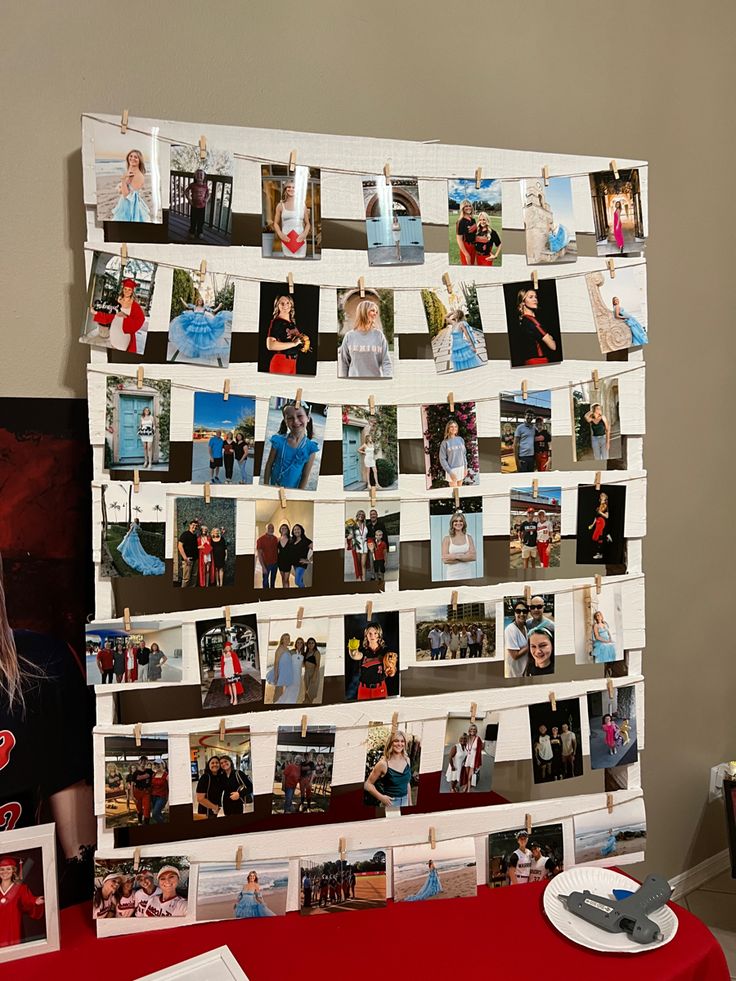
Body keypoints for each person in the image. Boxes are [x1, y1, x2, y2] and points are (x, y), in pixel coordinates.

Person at [262, 402, 319, 490]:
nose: (295, 421)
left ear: (308, 417)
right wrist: (265, 485)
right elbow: (269, 464)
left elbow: (305, 476)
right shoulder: (278, 441)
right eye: (290, 418)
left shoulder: (310, 448)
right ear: (285, 421)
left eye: (299, 416)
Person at [168, 294, 230, 364]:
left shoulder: (204, 308)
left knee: (202, 338)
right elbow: (187, 306)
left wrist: (219, 306)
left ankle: (201, 351)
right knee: (193, 338)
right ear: (197, 301)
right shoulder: (194, 307)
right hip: (194, 324)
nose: (200, 302)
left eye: (201, 301)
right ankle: (194, 352)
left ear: (202, 302)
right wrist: (182, 300)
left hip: (203, 324)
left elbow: (214, 310)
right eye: (199, 301)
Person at [337, 299, 392, 378]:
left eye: (376, 312)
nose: (375, 314)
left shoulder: (379, 336)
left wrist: (387, 380)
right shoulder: (349, 336)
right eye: (372, 310)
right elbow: (344, 363)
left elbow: (386, 362)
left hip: (374, 383)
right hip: (354, 383)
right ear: (363, 312)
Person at [91, 277, 146, 353]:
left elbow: (140, 320)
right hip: (114, 331)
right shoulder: (118, 301)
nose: (127, 291)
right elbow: (110, 315)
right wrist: (96, 313)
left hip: (124, 333)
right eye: (125, 289)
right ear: (123, 289)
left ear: (132, 291)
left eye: (129, 290)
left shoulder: (135, 305)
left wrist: (125, 316)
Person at [364, 730, 413, 809]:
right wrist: (381, 798)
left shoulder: (407, 760)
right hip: (391, 803)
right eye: (396, 741)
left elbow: (407, 783)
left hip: (405, 801)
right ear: (391, 743)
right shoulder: (383, 764)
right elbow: (367, 784)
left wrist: (410, 802)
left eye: (402, 741)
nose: (400, 744)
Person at [348, 621, 396, 701]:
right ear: (366, 635)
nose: (372, 636)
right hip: (363, 689)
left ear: (379, 635)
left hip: (380, 688)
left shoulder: (385, 651)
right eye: (369, 633)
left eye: (375, 633)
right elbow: (356, 656)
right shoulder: (363, 651)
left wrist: (391, 667)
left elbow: (391, 672)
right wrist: (352, 649)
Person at [512, 288, 557, 366]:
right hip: (539, 361)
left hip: (528, 362)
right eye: (531, 297)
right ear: (523, 302)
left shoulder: (523, 320)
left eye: (535, 297)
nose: (535, 299)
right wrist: (550, 338)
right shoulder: (532, 321)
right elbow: (553, 346)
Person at [265, 295, 308, 374]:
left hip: (293, 362)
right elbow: (270, 345)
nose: (285, 306)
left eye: (288, 303)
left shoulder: (292, 322)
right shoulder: (276, 322)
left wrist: (303, 343)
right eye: (282, 303)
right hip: (281, 362)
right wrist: (294, 343)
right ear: (277, 306)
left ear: (291, 304)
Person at [273, 180, 311, 259]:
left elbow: (307, 223)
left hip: (300, 240)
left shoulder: (302, 205)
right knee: (288, 263)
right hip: (287, 239)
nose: (291, 189)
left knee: (300, 264)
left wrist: (304, 235)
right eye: (289, 187)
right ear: (285, 189)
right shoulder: (280, 205)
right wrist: (280, 235)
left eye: (293, 187)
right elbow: (275, 223)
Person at [111, 149, 151, 222]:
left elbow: (127, 195)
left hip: (129, 206)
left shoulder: (139, 176)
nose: (132, 158)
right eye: (131, 156)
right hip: (125, 203)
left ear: (140, 160)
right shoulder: (131, 170)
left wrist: (123, 179)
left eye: (136, 157)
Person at [441, 510, 477, 580]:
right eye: (456, 521)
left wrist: (454, 556)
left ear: (464, 523)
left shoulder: (469, 538)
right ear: (452, 523)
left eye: (461, 521)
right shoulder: (447, 539)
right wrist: (465, 556)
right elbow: (445, 560)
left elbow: (473, 557)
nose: (458, 523)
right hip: (452, 575)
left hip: (467, 574)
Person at [438, 418, 468, 486]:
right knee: (454, 492)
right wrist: (450, 472)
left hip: (461, 468)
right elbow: (442, 459)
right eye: (451, 426)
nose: (454, 428)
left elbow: (464, 455)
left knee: (460, 491)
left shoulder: (460, 439)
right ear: (448, 428)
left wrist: (465, 468)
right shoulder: (445, 443)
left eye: (455, 426)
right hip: (452, 470)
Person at [276, 636, 304, 704]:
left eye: (301, 643)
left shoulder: (303, 654)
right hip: (291, 675)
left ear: (303, 644)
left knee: (295, 691)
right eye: (298, 642)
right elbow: (283, 659)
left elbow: (302, 665)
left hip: (298, 676)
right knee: (288, 691)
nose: (299, 644)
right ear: (296, 643)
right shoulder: (291, 652)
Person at [184, 168, 210, 240]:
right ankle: (192, 231)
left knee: (201, 221)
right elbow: (186, 191)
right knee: (193, 219)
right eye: (197, 174)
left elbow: (208, 194)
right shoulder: (192, 185)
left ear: (204, 176)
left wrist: (206, 199)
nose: (199, 176)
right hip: (194, 206)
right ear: (195, 176)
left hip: (202, 206)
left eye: (201, 174)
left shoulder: (205, 186)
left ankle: (200, 232)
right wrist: (189, 200)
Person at [505, 602, 529, 677]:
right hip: (513, 673)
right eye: (518, 611)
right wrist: (531, 645)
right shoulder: (510, 629)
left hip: (522, 670)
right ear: (514, 613)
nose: (522, 614)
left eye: (524, 611)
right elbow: (515, 655)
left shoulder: (525, 628)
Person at [128, 756, 154, 824]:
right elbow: (132, 785)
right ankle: (140, 822)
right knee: (139, 809)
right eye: (141, 761)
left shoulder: (149, 771)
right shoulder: (135, 773)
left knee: (147, 808)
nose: (143, 763)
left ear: (146, 762)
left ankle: (146, 824)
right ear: (139, 762)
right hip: (137, 792)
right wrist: (132, 795)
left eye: (145, 761)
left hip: (146, 792)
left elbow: (156, 775)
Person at [269, 633, 294, 703]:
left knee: (283, 693)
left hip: (286, 673)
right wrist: (276, 676)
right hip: (280, 673)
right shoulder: (280, 648)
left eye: (288, 638)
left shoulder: (287, 649)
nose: (287, 640)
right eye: (285, 638)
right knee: (278, 693)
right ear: (282, 640)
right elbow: (276, 663)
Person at [347, 509, 370, 582]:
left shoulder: (365, 525)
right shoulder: (353, 524)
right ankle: (359, 578)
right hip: (357, 545)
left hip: (364, 545)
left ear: (364, 517)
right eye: (359, 514)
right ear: (357, 516)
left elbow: (367, 535)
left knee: (363, 564)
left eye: (362, 515)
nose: (361, 516)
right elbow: (350, 535)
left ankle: (364, 579)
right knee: (358, 563)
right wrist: (349, 537)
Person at [461, 722, 484, 792]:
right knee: (467, 774)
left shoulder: (478, 739)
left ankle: (468, 788)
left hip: (474, 759)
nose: (472, 730)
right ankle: (466, 785)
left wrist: (478, 763)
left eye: (474, 729)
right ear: (469, 730)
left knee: (470, 775)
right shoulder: (467, 738)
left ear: (476, 731)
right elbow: (462, 744)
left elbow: (480, 749)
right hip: (467, 758)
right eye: (471, 729)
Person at [220, 641, 244, 707]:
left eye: (229, 647)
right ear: (225, 648)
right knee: (229, 685)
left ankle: (235, 699)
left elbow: (237, 662)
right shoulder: (223, 655)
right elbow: (222, 665)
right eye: (226, 647)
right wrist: (223, 673)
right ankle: (232, 697)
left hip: (232, 671)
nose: (228, 648)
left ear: (230, 647)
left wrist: (237, 671)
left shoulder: (233, 654)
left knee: (233, 684)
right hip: (226, 672)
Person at [289, 525, 313, 589]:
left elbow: (317, 550)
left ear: (301, 530)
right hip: (295, 564)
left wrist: (309, 561)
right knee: (300, 579)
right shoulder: (292, 541)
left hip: (301, 564)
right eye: (295, 530)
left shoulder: (306, 541)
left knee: (297, 581)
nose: (296, 531)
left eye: (298, 529)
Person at [256, 523, 279, 589]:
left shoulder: (275, 539)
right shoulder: (260, 540)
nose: (271, 529)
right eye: (269, 528)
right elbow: (259, 554)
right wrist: (263, 567)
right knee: (265, 582)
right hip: (266, 564)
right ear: (266, 529)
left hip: (275, 564)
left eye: (272, 528)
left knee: (273, 581)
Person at [178, 519, 199, 588]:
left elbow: (194, 547)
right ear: (189, 525)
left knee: (194, 577)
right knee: (186, 578)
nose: (195, 527)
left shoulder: (195, 536)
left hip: (195, 559)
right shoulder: (185, 534)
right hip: (188, 559)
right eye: (193, 525)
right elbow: (180, 546)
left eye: (196, 526)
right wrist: (185, 558)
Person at [455, 199, 477, 265]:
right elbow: (459, 239)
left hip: (474, 246)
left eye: (469, 206)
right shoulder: (460, 221)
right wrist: (466, 254)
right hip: (466, 246)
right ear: (462, 208)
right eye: (466, 206)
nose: (468, 208)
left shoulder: (473, 220)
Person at [303, 637, 322, 704]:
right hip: (306, 674)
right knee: (307, 693)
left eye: (312, 643)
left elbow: (317, 665)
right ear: (307, 644)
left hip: (314, 673)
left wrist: (314, 676)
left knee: (311, 693)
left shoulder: (316, 652)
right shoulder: (306, 653)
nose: (311, 644)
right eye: (309, 643)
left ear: (315, 644)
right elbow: (303, 664)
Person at [276, 523, 293, 588]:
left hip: (288, 562)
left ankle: (287, 592)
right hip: (280, 561)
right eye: (282, 528)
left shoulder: (291, 539)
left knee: (286, 579)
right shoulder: (278, 539)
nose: (284, 529)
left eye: (285, 528)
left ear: (288, 530)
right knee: (283, 578)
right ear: (280, 530)